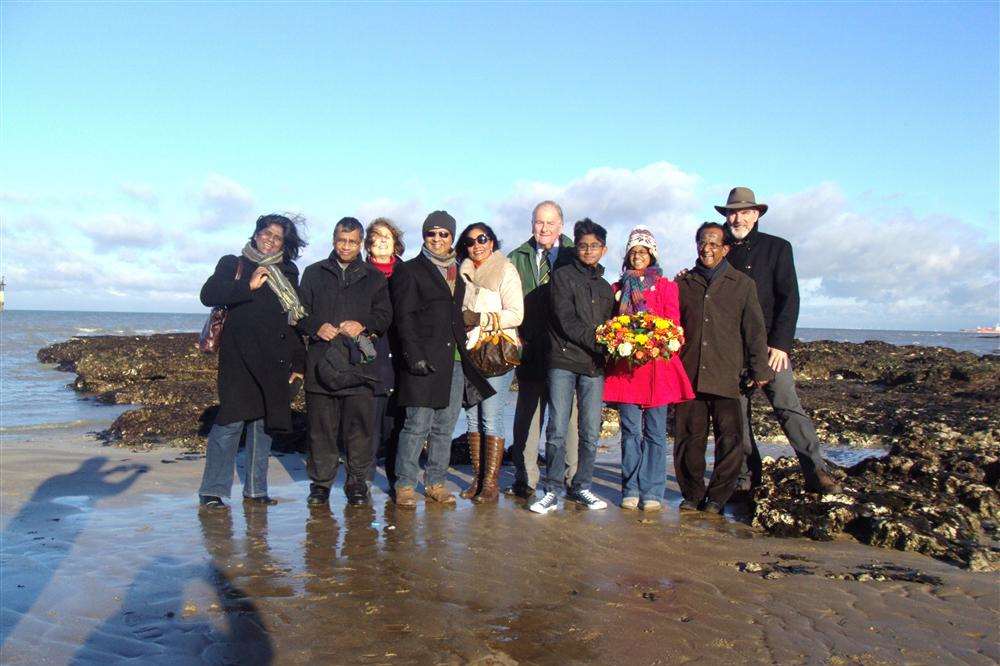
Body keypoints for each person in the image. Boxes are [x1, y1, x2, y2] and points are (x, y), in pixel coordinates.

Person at [716, 187, 841, 494]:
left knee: (788, 407)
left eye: (745, 212)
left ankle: (816, 470)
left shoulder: (778, 248)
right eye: (733, 212)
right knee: (736, 418)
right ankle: (746, 477)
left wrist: (781, 344)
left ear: (756, 214)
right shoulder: (716, 248)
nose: (738, 218)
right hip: (731, 349)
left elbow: (790, 298)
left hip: (770, 349)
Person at [198, 213, 308, 508]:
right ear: (256, 233)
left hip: (276, 361)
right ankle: (213, 491)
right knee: (230, 423)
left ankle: (256, 491)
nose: (270, 241)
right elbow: (208, 294)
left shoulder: (289, 271)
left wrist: (300, 364)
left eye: (277, 238)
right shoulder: (233, 263)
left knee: (264, 427)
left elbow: (293, 321)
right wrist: (248, 285)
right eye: (266, 234)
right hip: (238, 359)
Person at [390, 210, 495, 507]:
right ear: (424, 236)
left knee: (445, 426)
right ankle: (406, 485)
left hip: (456, 361)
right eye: (431, 233)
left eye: (443, 234)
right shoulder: (409, 270)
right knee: (416, 425)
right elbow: (404, 318)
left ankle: (436, 482)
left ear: (451, 237)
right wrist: (413, 356)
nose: (437, 239)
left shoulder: (459, 272)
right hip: (422, 361)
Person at [674, 223, 772, 514]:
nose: (707, 248)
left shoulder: (742, 284)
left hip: (728, 375)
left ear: (726, 248)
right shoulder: (682, 284)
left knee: (730, 441)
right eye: (703, 242)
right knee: (688, 440)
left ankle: (717, 498)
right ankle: (692, 495)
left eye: (715, 243)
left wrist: (760, 369)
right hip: (689, 374)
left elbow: (754, 330)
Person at [298, 217, 392, 507]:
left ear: (361, 243)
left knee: (360, 430)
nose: (346, 246)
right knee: (320, 429)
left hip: (360, 366)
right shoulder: (314, 273)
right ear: (333, 240)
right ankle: (321, 485)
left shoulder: (374, 277)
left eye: (352, 241)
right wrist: (315, 326)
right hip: (321, 364)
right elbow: (298, 313)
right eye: (341, 240)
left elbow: (385, 316)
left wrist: (363, 324)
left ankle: (357, 482)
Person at [603, 226, 694, 511]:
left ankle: (653, 490)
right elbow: (612, 325)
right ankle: (630, 488)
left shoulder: (667, 287)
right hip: (627, 369)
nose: (638, 256)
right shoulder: (618, 288)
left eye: (643, 252)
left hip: (658, 368)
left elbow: (674, 324)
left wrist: (655, 339)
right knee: (630, 432)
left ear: (652, 254)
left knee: (655, 432)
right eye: (633, 252)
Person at [530, 219, 615, 514]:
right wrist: (600, 342)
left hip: (593, 367)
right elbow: (566, 321)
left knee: (591, 431)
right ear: (575, 247)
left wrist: (616, 343)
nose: (588, 250)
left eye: (594, 246)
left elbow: (611, 326)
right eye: (583, 245)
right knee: (556, 429)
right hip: (563, 361)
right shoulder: (562, 277)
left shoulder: (605, 287)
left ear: (603, 250)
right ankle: (552, 489)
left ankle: (581, 486)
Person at [505, 200, 580, 499]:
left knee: (568, 420)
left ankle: (573, 480)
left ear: (561, 225)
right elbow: (506, 299)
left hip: (566, 351)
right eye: (539, 222)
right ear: (532, 224)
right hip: (530, 349)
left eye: (550, 223)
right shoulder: (517, 257)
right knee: (528, 418)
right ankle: (526, 479)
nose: (544, 228)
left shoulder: (577, 255)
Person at [457, 222, 524, 503]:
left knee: (491, 416)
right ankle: (477, 478)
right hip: (470, 352)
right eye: (471, 242)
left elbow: (516, 314)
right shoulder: (461, 272)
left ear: (492, 241)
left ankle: (491, 483)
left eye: (482, 239)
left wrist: (481, 319)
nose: (477, 245)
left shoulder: (505, 269)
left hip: (497, 351)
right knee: (472, 415)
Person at [364, 217, 405, 485]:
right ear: (368, 244)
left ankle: (395, 481)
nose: (381, 241)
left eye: (386, 237)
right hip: (367, 356)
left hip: (400, 358)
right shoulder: (358, 272)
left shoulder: (407, 273)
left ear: (396, 245)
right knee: (366, 426)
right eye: (376, 236)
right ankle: (361, 482)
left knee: (395, 427)